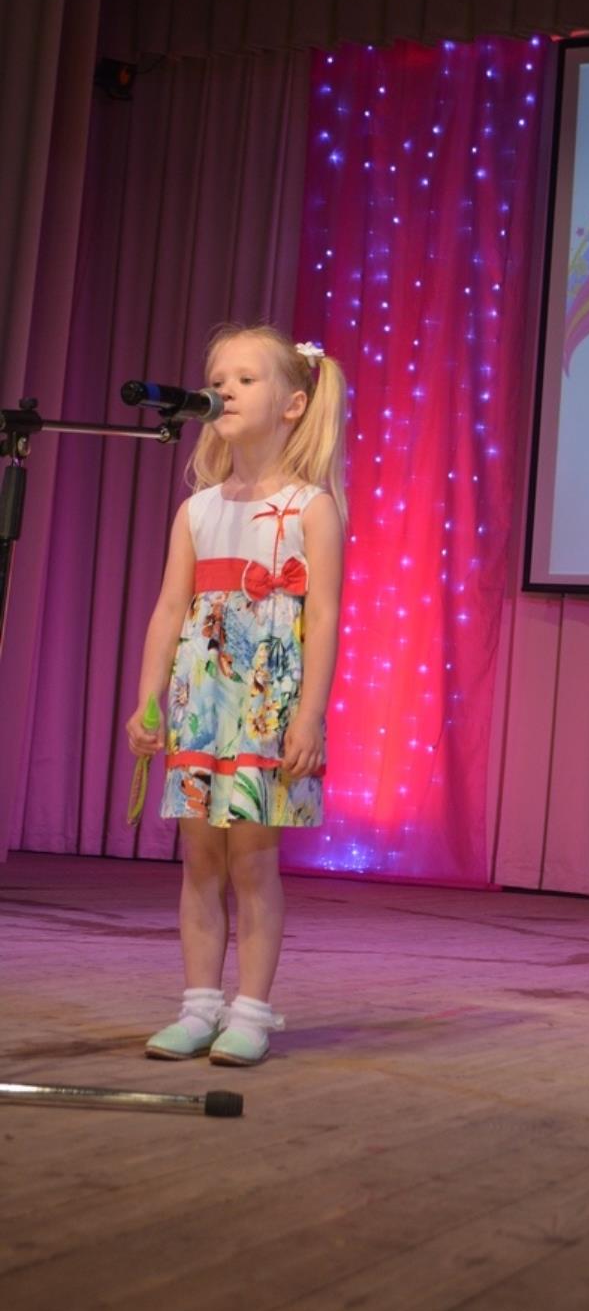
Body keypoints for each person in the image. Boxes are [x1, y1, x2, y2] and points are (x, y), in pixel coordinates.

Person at [126, 324, 346, 1066]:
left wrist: (309, 715)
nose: (224, 391)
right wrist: (150, 698)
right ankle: (198, 1007)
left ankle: (249, 1013)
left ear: (292, 404)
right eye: (218, 379)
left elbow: (324, 617)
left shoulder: (311, 507)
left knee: (252, 861)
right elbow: (169, 609)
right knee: (199, 860)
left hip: (265, 703)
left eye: (246, 380)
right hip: (203, 700)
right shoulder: (197, 510)